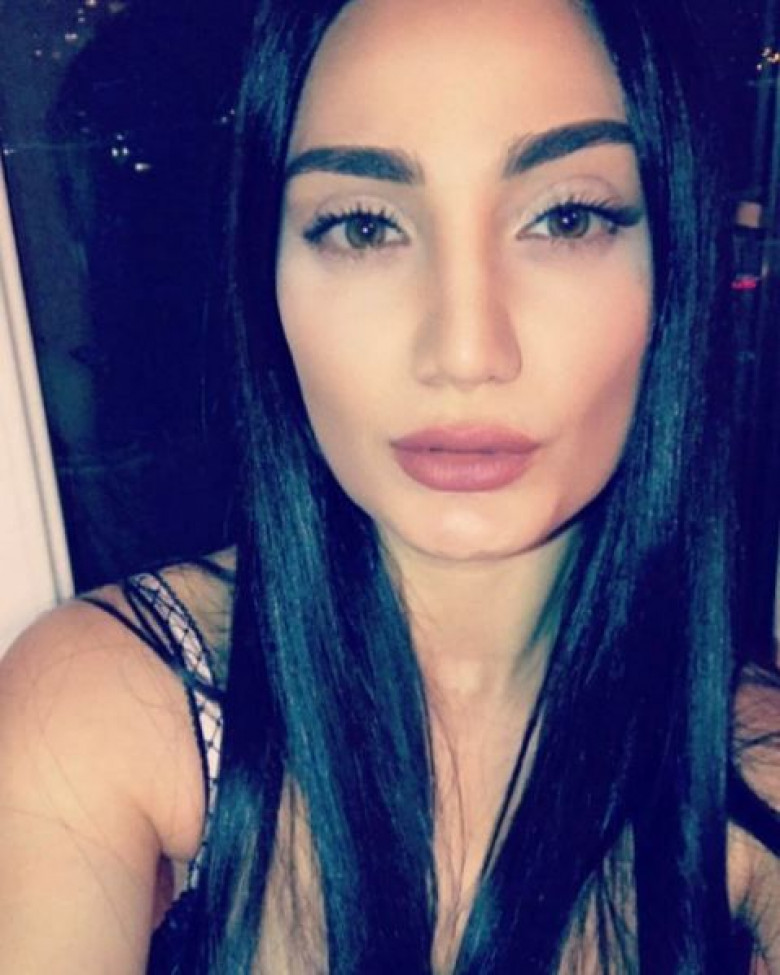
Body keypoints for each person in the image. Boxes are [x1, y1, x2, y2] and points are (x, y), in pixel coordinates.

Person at [0, 0, 778, 971]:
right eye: (365, 226)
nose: (465, 349)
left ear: (674, 265)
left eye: (565, 218)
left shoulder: (754, 777)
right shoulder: (100, 709)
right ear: (267, 277)